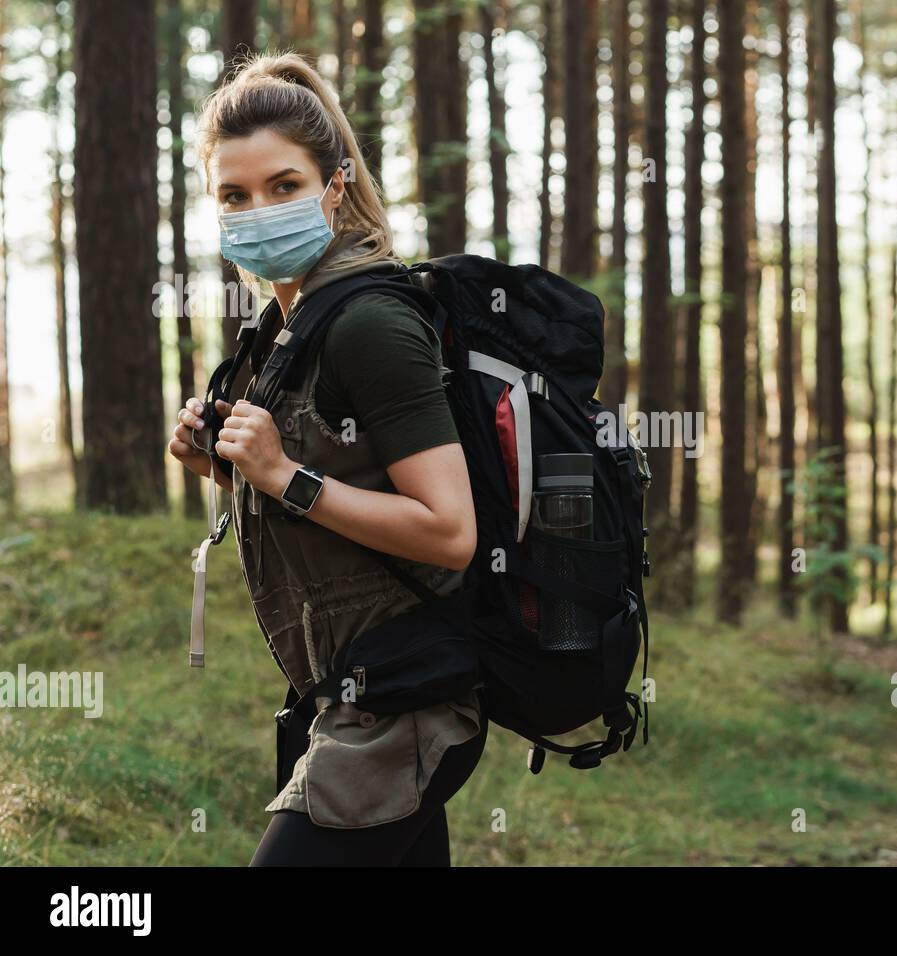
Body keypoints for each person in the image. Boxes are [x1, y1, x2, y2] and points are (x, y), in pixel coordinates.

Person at [167, 52, 487, 866]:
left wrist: (281, 476)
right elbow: (346, 493)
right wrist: (228, 467)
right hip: (350, 687)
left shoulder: (369, 322)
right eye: (234, 196)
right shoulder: (287, 332)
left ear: (334, 186)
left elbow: (449, 532)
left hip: (404, 700)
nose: (258, 211)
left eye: (283, 186)